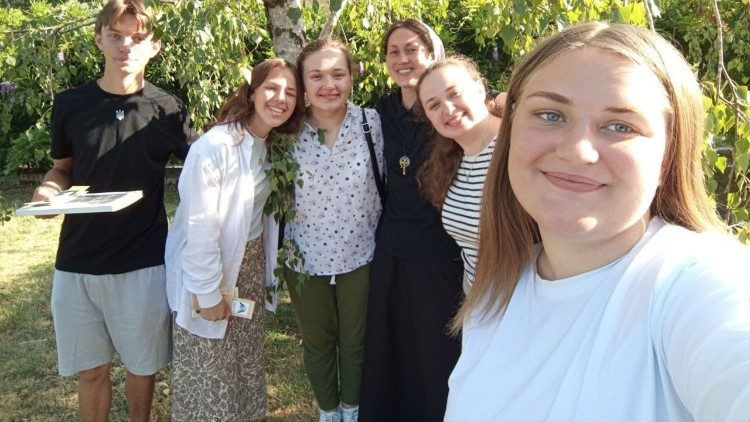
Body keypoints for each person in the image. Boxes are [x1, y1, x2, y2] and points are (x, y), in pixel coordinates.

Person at [444, 22, 750, 421]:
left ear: (667, 159)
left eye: (621, 126)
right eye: (550, 115)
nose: (577, 151)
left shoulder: (695, 281)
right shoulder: (494, 294)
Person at [30, 0, 196, 419]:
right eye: (115, 36)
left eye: (137, 38)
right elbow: (62, 168)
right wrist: (48, 190)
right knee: (91, 371)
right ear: (98, 39)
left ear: (154, 46)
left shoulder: (169, 110)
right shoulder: (71, 104)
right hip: (77, 262)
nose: (126, 46)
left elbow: (205, 167)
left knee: (142, 368)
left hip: (142, 261)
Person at [164, 58, 304, 420]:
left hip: (250, 267)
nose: (280, 98)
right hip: (212, 272)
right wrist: (208, 294)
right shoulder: (216, 147)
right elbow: (199, 228)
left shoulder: (272, 144)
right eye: (272, 87)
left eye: (290, 92)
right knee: (212, 369)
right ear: (252, 91)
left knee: (243, 361)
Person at [359, 19, 464, 421]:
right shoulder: (379, 113)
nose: (402, 59)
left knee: (435, 356)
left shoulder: (449, 109)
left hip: (441, 255)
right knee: (391, 352)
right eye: (394, 52)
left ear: (432, 53)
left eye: (412, 50)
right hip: (391, 251)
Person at [285, 38, 384, 422]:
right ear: (303, 83)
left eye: (338, 74)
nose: (329, 85)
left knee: (355, 341)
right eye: (317, 76)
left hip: (361, 252)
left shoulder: (371, 123)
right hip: (302, 257)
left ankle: (352, 410)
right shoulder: (285, 130)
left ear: (352, 77)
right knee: (318, 343)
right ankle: (328, 411)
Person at [417, 56, 502, 294]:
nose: (448, 109)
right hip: (478, 301)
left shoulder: (515, 148)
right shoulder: (454, 159)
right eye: (434, 105)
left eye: (454, 94)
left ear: (480, 89)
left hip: (524, 303)